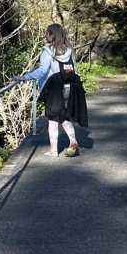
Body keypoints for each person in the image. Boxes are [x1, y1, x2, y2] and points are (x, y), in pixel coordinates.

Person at [21, 24, 87, 158]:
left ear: (51, 34)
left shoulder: (47, 51)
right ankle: (73, 141)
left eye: (47, 33)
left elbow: (43, 71)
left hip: (54, 89)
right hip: (69, 87)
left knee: (52, 119)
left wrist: (24, 77)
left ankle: (53, 151)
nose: (45, 35)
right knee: (63, 116)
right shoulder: (69, 50)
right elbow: (74, 69)